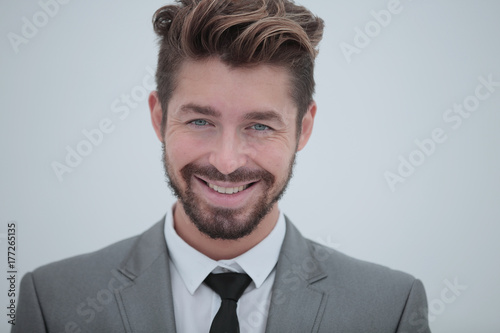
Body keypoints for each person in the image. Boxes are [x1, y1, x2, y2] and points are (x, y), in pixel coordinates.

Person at [13, 0, 431, 332]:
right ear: (158, 117)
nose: (227, 162)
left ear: (304, 129)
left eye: (260, 126)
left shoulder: (390, 309)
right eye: (200, 121)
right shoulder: (52, 302)